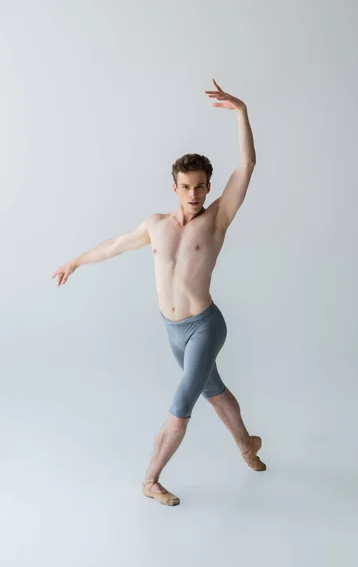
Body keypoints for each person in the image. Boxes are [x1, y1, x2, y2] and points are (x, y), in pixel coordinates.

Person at [52, 79, 267, 507]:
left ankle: (150, 479)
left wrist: (241, 111)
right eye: (186, 187)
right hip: (173, 330)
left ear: (209, 186)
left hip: (205, 326)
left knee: (182, 402)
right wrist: (75, 260)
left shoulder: (217, 219)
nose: (194, 194)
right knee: (214, 390)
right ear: (175, 188)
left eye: (201, 186)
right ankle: (247, 446)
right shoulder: (155, 225)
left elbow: (247, 165)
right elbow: (113, 245)